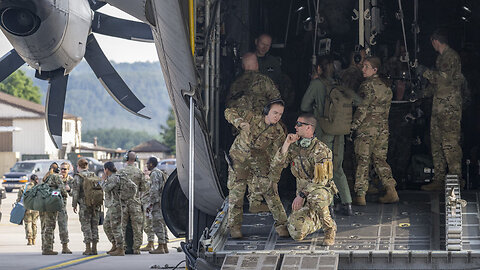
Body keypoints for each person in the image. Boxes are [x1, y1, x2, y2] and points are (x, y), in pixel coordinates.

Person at [301, 57, 361, 216]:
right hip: (339, 130)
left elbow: (304, 105)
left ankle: (330, 205)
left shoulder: (316, 84)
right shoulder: (337, 85)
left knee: (323, 167)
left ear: (319, 69)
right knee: (337, 167)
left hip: (323, 129)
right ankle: (347, 203)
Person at [224, 99, 289, 239]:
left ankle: (282, 225)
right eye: (275, 113)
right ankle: (234, 227)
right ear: (266, 111)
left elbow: (279, 154)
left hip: (259, 158)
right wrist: (240, 122)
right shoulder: (251, 117)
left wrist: (275, 177)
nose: (277, 116)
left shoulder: (278, 131)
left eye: (280, 114)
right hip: (240, 156)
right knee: (237, 191)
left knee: (270, 190)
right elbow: (228, 111)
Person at [271, 114, 337, 244]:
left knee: (316, 198)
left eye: (299, 124)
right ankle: (317, 220)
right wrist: (287, 143)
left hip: (319, 191)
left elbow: (321, 180)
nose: (295, 127)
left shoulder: (321, 150)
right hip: (301, 195)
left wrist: (302, 195)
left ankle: (329, 228)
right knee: (296, 233)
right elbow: (278, 165)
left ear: (309, 128)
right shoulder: (295, 147)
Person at [351, 57, 399, 205]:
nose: (363, 69)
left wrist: (353, 126)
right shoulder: (386, 86)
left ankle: (360, 194)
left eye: (367, 67)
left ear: (375, 70)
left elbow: (362, 108)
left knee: (363, 159)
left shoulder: (367, 85)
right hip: (382, 128)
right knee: (379, 159)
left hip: (367, 128)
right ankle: (391, 189)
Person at [420, 29, 464, 191]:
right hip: (439, 108)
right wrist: (422, 94)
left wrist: (424, 71)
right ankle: (439, 179)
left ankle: (456, 179)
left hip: (449, 109)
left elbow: (443, 79)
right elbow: (436, 86)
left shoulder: (450, 57)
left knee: (450, 143)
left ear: (435, 41)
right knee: (436, 143)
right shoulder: (440, 58)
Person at [71, 158, 101, 255]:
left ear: (78, 166)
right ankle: (95, 248)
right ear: (87, 166)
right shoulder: (93, 175)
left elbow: (75, 192)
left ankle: (88, 248)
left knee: (86, 225)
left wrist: (74, 204)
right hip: (95, 204)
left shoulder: (78, 177)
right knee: (94, 225)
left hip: (84, 204)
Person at [118, 151, 145, 254]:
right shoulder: (139, 172)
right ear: (136, 159)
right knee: (137, 227)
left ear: (126, 159)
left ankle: (122, 248)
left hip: (123, 204)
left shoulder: (121, 172)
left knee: (122, 226)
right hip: (135, 203)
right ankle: (136, 248)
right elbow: (143, 189)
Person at [40, 162, 67, 255]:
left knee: (45, 226)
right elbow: (62, 189)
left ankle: (44, 246)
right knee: (50, 226)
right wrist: (65, 194)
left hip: (43, 204)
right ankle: (48, 249)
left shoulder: (45, 177)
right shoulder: (55, 177)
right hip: (51, 205)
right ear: (57, 170)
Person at [145, 157, 169, 254]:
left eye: (147, 163)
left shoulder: (154, 174)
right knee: (162, 224)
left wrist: (150, 204)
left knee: (157, 224)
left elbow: (154, 190)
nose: (146, 165)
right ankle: (165, 246)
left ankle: (160, 247)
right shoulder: (160, 172)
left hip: (156, 203)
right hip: (161, 202)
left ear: (151, 164)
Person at [101, 162, 125, 256]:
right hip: (111, 206)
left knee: (116, 227)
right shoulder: (111, 178)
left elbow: (106, 189)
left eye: (104, 169)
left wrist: (103, 181)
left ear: (107, 169)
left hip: (116, 206)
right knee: (106, 225)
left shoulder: (114, 178)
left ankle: (120, 248)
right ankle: (114, 244)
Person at [17, 174, 40, 245]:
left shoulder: (24, 187)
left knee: (28, 224)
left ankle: (29, 239)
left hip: (27, 208)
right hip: (36, 208)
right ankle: (34, 239)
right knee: (34, 224)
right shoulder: (39, 187)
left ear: (30, 179)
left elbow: (19, 198)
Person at [57, 162, 72, 254]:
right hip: (52, 206)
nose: (63, 170)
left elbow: (74, 193)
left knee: (63, 227)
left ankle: (65, 247)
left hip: (62, 207)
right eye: (61, 169)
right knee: (48, 227)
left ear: (68, 170)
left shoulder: (71, 180)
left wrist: (69, 189)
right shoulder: (55, 178)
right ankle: (48, 247)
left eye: (65, 169)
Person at [139, 167, 155, 252]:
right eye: (144, 171)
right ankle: (150, 242)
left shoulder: (150, 181)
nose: (145, 172)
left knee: (148, 225)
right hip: (143, 204)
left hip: (148, 205)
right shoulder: (143, 181)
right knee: (146, 225)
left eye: (146, 171)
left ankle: (150, 243)